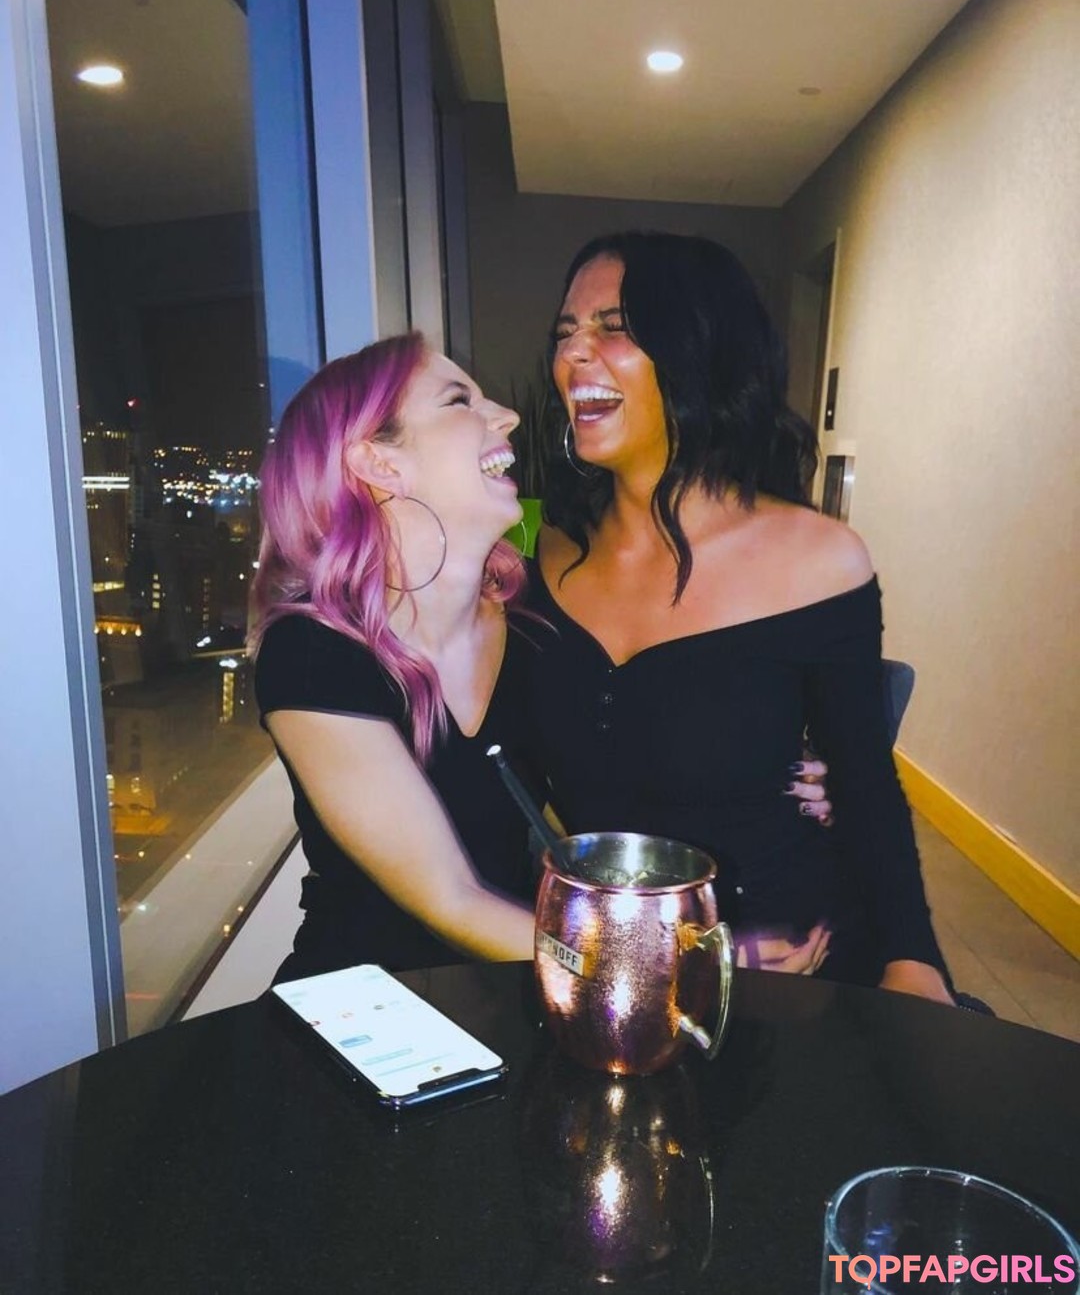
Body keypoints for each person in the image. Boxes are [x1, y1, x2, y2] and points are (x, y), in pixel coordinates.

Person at [523, 230, 953, 1003]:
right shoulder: (544, 555)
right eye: (566, 331)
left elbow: (865, 785)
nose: (573, 354)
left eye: (614, 327)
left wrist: (914, 962)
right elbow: (500, 769)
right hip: (606, 974)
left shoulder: (819, 558)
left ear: (699, 353)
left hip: (788, 971)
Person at [250, 333, 537, 981]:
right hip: (364, 1015)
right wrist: (657, 969)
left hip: (510, 1000)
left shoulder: (534, 620)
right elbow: (451, 899)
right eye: (460, 400)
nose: (507, 416)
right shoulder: (313, 653)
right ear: (380, 464)